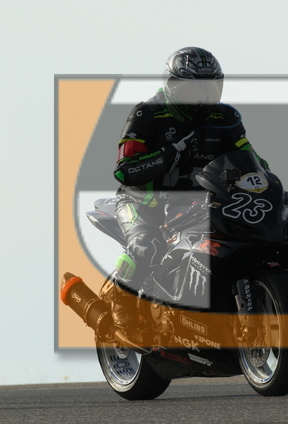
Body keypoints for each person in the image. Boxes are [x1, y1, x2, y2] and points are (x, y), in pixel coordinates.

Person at [108, 46, 269, 333]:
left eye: (210, 89)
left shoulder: (226, 117)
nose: (203, 98)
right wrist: (167, 154)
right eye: (195, 90)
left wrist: (267, 183)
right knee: (145, 246)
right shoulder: (147, 113)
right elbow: (125, 169)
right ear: (172, 85)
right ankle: (120, 301)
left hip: (199, 203)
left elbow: (250, 158)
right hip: (142, 201)